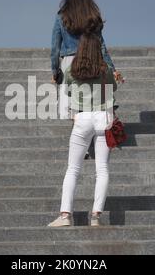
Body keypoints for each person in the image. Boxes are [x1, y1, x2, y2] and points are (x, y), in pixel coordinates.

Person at [48, 33, 117, 227]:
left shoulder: (72, 69)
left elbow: (69, 90)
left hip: (82, 117)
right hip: (103, 117)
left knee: (73, 169)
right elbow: (113, 89)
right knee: (102, 169)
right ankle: (96, 216)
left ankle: (65, 216)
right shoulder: (106, 69)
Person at [50, 0, 123, 119]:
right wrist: (112, 69)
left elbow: (55, 48)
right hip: (93, 59)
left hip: (69, 62)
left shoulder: (61, 17)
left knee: (73, 106)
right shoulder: (93, 17)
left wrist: (55, 71)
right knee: (94, 105)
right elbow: (102, 47)